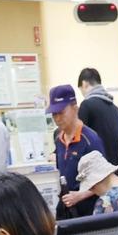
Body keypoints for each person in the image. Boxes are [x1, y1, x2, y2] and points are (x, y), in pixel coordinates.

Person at [46, 84, 106, 219]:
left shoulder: (90, 140)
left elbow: (103, 180)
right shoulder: (58, 138)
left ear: (75, 108)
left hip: (87, 212)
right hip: (65, 209)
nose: (57, 118)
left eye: (61, 112)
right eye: (54, 114)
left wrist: (80, 195)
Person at [77, 67, 118, 169]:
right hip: (116, 174)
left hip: (99, 177)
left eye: (81, 90)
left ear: (84, 84)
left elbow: (79, 140)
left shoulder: (87, 105)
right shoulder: (115, 109)